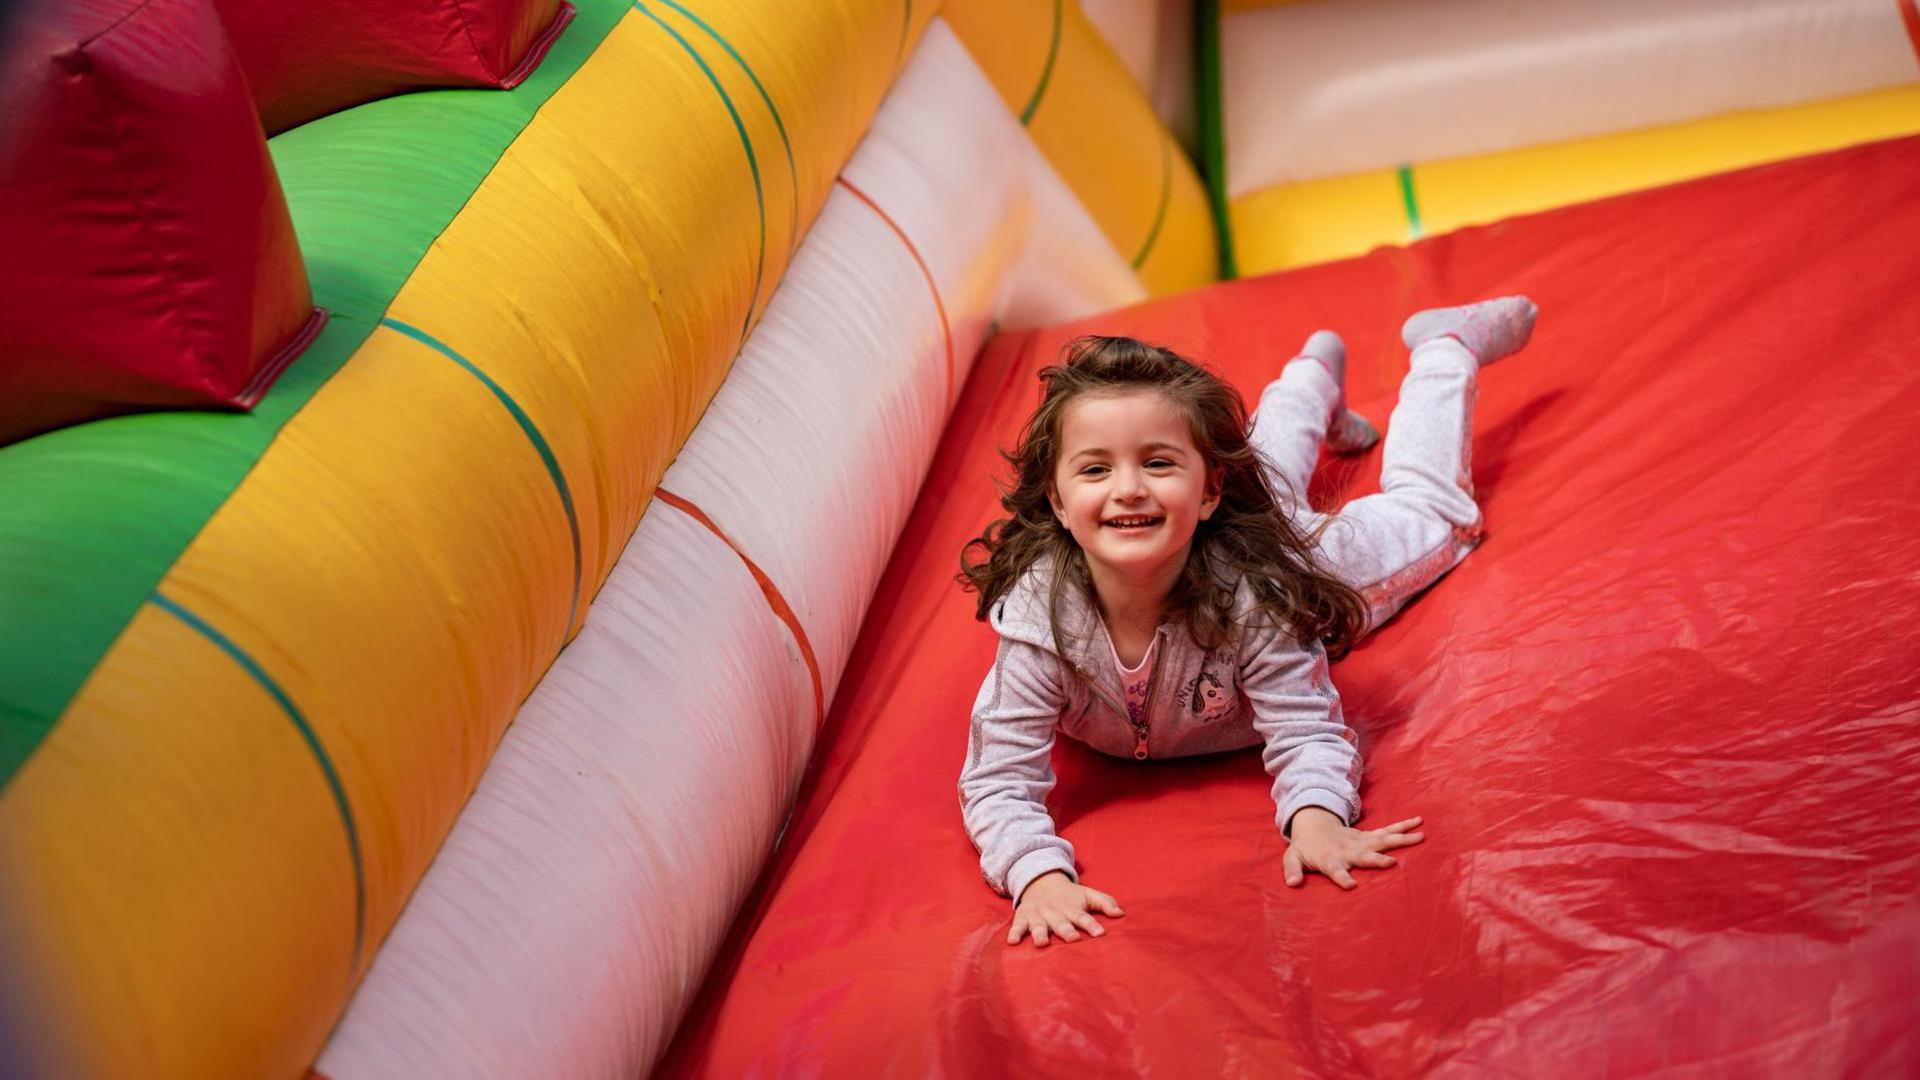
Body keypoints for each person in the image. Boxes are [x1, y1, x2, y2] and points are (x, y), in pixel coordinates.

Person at [957, 296, 1538, 947]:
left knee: (1435, 515)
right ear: (1059, 502)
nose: (1127, 489)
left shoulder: (1256, 599)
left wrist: (1316, 818)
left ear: (1210, 494)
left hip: (1293, 562)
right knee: (1248, 476)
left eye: (1155, 463)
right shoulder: (1044, 628)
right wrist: (1037, 876)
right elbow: (998, 780)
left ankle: (1444, 347)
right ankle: (1310, 377)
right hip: (1213, 527)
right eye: (1096, 468)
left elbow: (1305, 726)